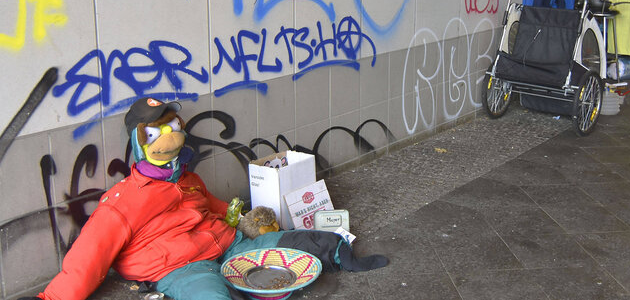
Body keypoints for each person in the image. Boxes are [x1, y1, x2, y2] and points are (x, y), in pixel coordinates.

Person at [21, 97, 386, 300]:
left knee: (307, 241)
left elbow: (214, 206)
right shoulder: (120, 203)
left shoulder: (188, 178)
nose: (172, 135)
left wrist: (243, 219)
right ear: (139, 142)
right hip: (182, 269)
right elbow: (85, 263)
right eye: (158, 130)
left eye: (174, 126)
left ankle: (343, 257)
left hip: (230, 245)